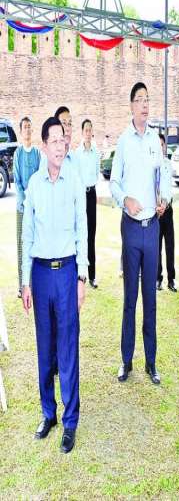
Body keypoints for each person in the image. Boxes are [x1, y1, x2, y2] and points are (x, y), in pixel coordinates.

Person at [21, 116, 88, 454]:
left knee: (67, 347)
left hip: (66, 273)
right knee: (45, 347)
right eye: (55, 141)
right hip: (41, 275)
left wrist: (82, 276)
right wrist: (25, 281)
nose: (61, 146)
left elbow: (82, 228)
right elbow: (27, 235)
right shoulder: (34, 185)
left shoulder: (73, 180)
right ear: (44, 146)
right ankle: (48, 413)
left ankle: (70, 420)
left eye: (63, 140)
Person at [110, 82, 171, 385]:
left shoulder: (155, 142)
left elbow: (164, 176)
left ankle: (151, 362)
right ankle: (126, 360)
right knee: (130, 299)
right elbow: (114, 182)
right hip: (131, 228)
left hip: (152, 228)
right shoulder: (124, 141)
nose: (145, 104)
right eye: (140, 100)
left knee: (151, 298)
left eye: (148, 99)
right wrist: (125, 200)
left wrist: (164, 199)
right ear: (132, 106)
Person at [14, 116, 41, 298]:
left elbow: (39, 178)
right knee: (22, 244)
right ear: (20, 131)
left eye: (30, 126)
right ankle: (22, 285)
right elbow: (16, 181)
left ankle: (34, 283)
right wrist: (25, 200)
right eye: (25, 127)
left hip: (36, 207)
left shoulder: (37, 153)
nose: (28, 130)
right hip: (22, 208)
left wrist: (34, 200)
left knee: (36, 243)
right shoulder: (18, 153)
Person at [73, 119, 100, 288]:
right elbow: (76, 177)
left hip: (92, 194)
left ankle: (92, 276)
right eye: (86, 130)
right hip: (81, 195)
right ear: (82, 132)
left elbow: (97, 173)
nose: (88, 133)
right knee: (81, 234)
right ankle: (79, 274)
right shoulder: (77, 154)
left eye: (90, 130)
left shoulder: (96, 152)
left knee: (91, 235)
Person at [157, 134, 176, 292]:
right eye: (158, 144)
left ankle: (171, 280)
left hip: (168, 210)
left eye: (162, 144)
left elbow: (169, 188)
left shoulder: (168, 164)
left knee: (170, 246)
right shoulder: (151, 165)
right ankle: (158, 278)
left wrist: (165, 202)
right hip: (156, 212)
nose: (160, 147)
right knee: (157, 247)